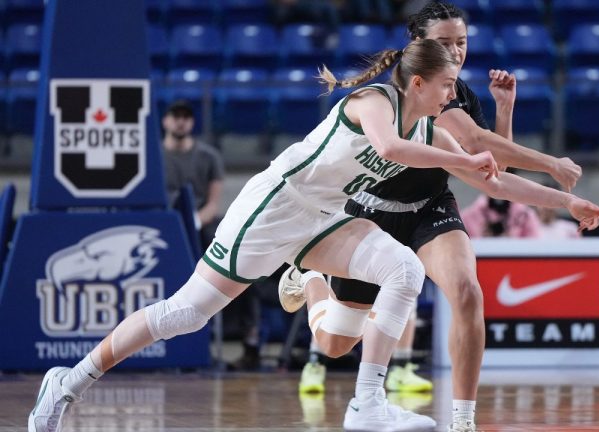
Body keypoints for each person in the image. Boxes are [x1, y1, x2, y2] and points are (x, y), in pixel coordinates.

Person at [28, 39, 502, 432]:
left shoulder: (427, 128)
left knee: (404, 268)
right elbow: (389, 147)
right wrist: (463, 160)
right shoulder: (374, 101)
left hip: (323, 215)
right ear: (417, 82)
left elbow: (489, 170)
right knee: (187, 313)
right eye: (446, 84)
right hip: (274, 207)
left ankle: (367, 404)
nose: (452, 94)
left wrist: (562, 195)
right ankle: (68, 381)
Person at [277, 3, 599, 431]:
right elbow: (473, 140)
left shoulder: (457, 92)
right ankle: (308, 279)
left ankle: (463, 421)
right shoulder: (414, 92)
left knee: (467, 291)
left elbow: (493, 175)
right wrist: (552, 164)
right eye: (444, 43)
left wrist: (507, 114)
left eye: (462, 42)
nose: (455, 52)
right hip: (369, 212)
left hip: (429, 209)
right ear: (418, 48)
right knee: (336, 344)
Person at [162, 99, 225, 251]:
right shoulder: (153, 157)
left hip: (200, 222)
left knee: (219, 237)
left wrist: (194, 221)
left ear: (192, 122)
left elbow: (213, 204)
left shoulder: (210, 156)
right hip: (164, 218)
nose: (181, 121)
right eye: (176, 117)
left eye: (186, 117)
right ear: (165, 121)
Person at [460, 194, 541, 238]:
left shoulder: (526, 216)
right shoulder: (468, 216)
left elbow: (534, 247)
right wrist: (482, 240)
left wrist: (512, 242)